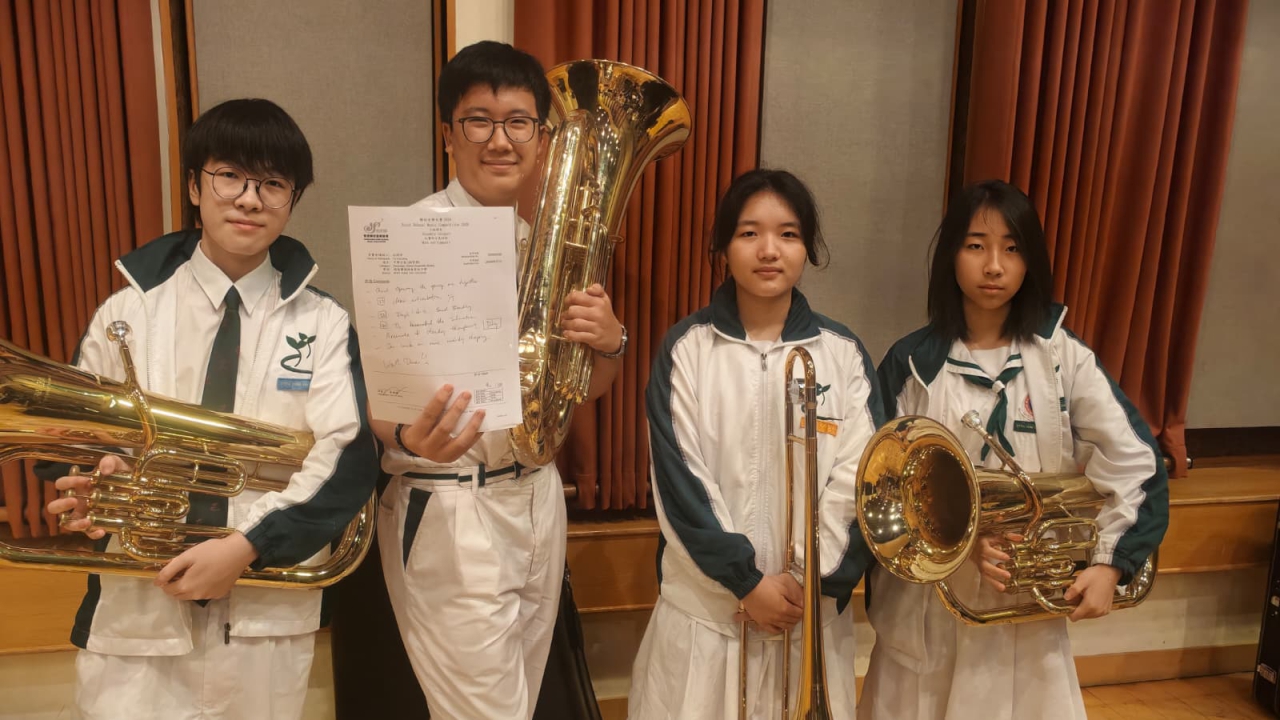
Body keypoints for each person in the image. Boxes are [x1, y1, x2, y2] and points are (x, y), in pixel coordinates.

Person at [44, 97, 379, 720]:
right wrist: (95, 473)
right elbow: (74, 433)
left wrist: (249, 545)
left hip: (264, 605)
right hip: (136, 601)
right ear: (195, 186)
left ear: (292, 200)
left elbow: (347, 457)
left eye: (272, 184)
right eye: (230, 176)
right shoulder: (126, 312)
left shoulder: (324, 322)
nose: (249, 199)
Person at [372, 40, 627, 720]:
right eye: (478, 121)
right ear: (448, 135)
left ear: (542, 141)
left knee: (519, 702)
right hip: (450, 501)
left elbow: (582, 388)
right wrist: (409, 437)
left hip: (536, 495)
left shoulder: (542, 244)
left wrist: (611, 341)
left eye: (519, 122)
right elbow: (377, 397)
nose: (500, 140)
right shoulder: (408, 240)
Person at [858, 179, 1169, 720]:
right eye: (976, 246)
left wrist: (1111, 565)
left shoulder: (1062, 356)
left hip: (1026, 611)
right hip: (929, 611)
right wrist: (960, 543)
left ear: (1031, 261)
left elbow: (1135, 462)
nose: (994, 266)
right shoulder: (911, 363)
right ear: (951, 255)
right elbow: (878, 490)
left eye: (1012, 248)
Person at [627, 168, 882, 719]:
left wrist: (808, 580)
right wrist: (746, 583)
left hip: (807, 617)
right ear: (723, 247)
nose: (769, 250)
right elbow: (681, 484)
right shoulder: (686, 350)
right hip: (709, 617)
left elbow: (864, 478)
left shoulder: (843, 354)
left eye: (788, 234)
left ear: (808, 248)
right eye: (749, 233)